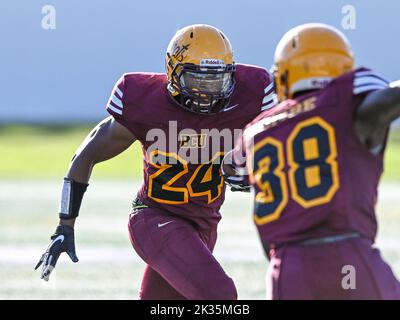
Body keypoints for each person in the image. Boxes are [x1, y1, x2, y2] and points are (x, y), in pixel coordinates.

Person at [35, 24, 275, 300]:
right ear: (173, 72)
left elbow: (275, 141)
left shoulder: (249, 95)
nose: (207, 93)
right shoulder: (145, 101)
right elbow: (85, 155)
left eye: (216, 81)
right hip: (155, 217)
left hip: (205, 224)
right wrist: (65, 224)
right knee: (219, 294)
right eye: (197, 81)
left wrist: (254, 166)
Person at [223, 23, 400, 299]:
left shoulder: (257, 129)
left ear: (284, 76)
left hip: (285, 268)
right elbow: (387, 100)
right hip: (348, 255)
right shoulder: (347, 98)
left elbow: (232, 169)